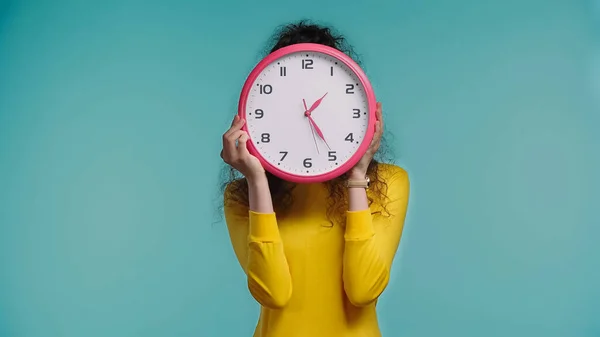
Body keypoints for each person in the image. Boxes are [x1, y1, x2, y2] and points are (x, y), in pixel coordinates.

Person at [220, 21, 410, 337]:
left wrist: (356, 177)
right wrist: (256, 179)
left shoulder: (389, 182)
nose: (308, 111)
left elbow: (363, 291)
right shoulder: (242, 195)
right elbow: (274, 294)